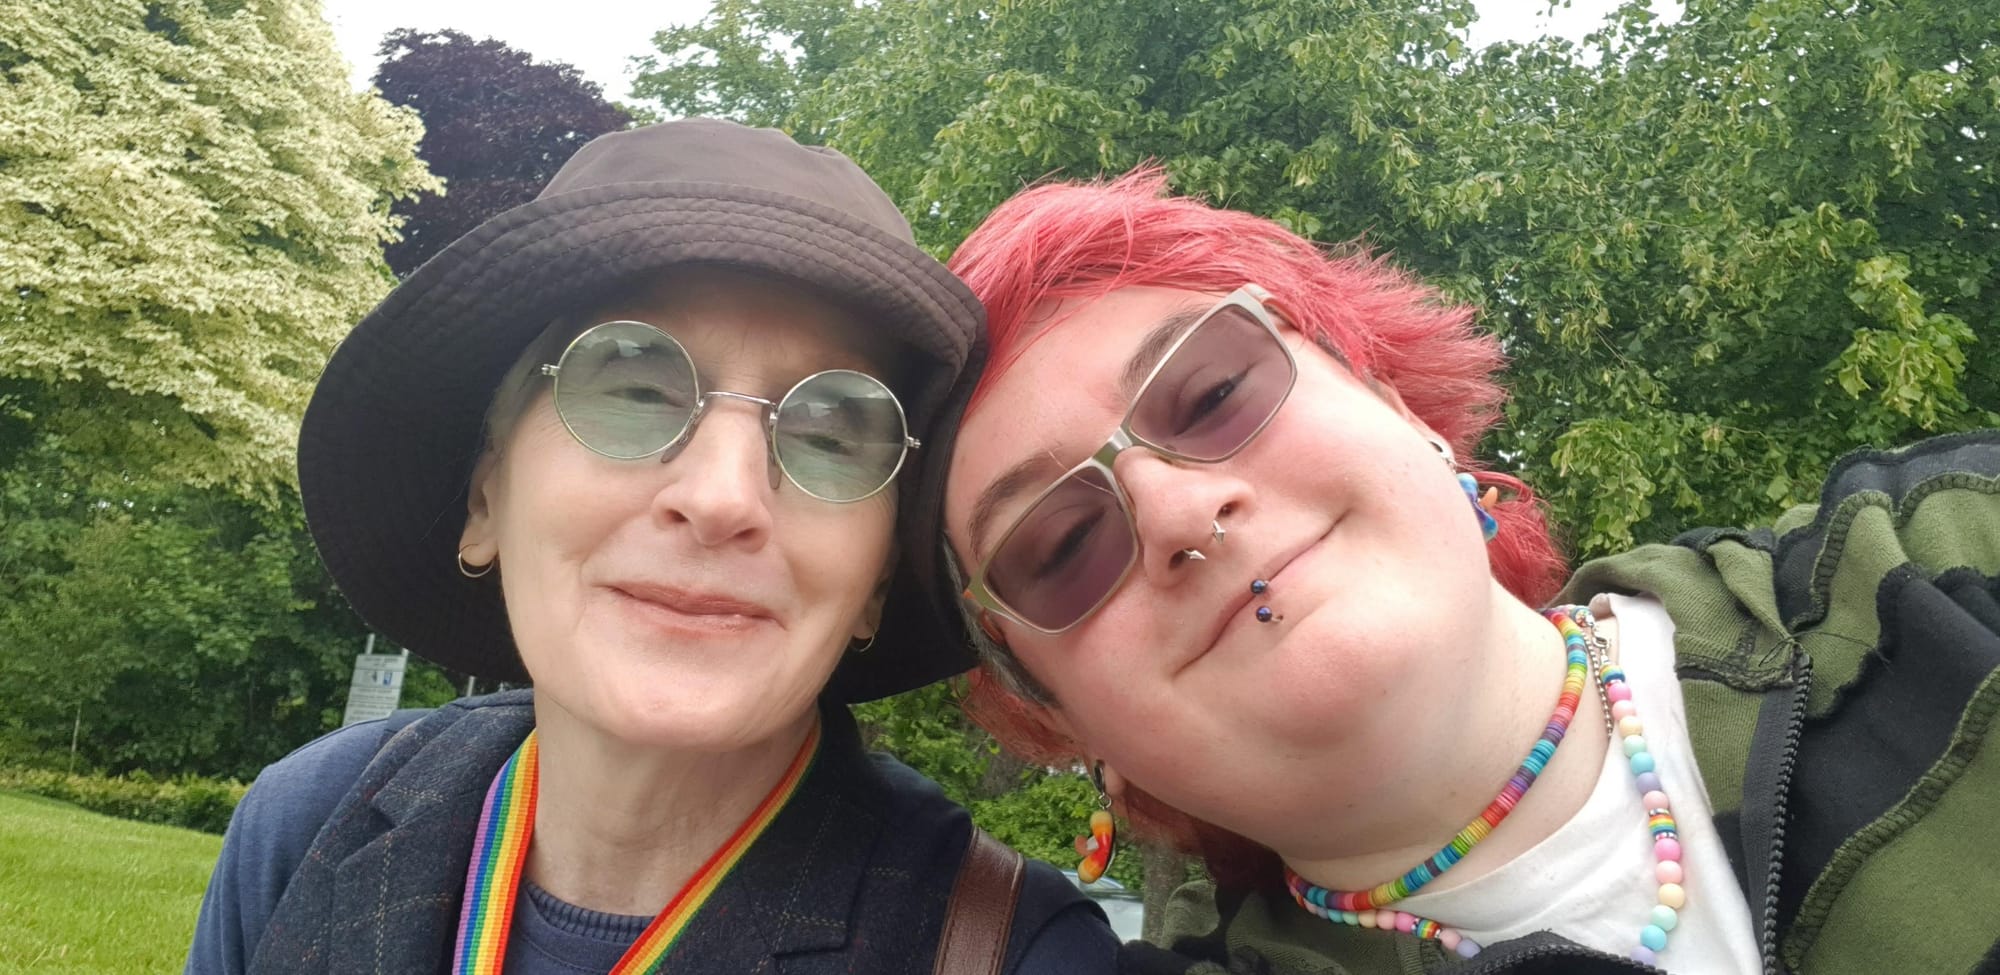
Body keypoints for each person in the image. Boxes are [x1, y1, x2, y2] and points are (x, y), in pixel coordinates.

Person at [928, 168, 2000, 974]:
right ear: (1063, 719)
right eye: (1058, 547)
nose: (1177, 510)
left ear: (1402, 412)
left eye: (1213, 394)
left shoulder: (1942, 553)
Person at [185, 119, 1117, 975]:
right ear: (485, 496)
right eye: (632, 390)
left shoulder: (1013, 953)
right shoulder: (310, 823)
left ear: (878, 576)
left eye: (833, 433)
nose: (721, 497)